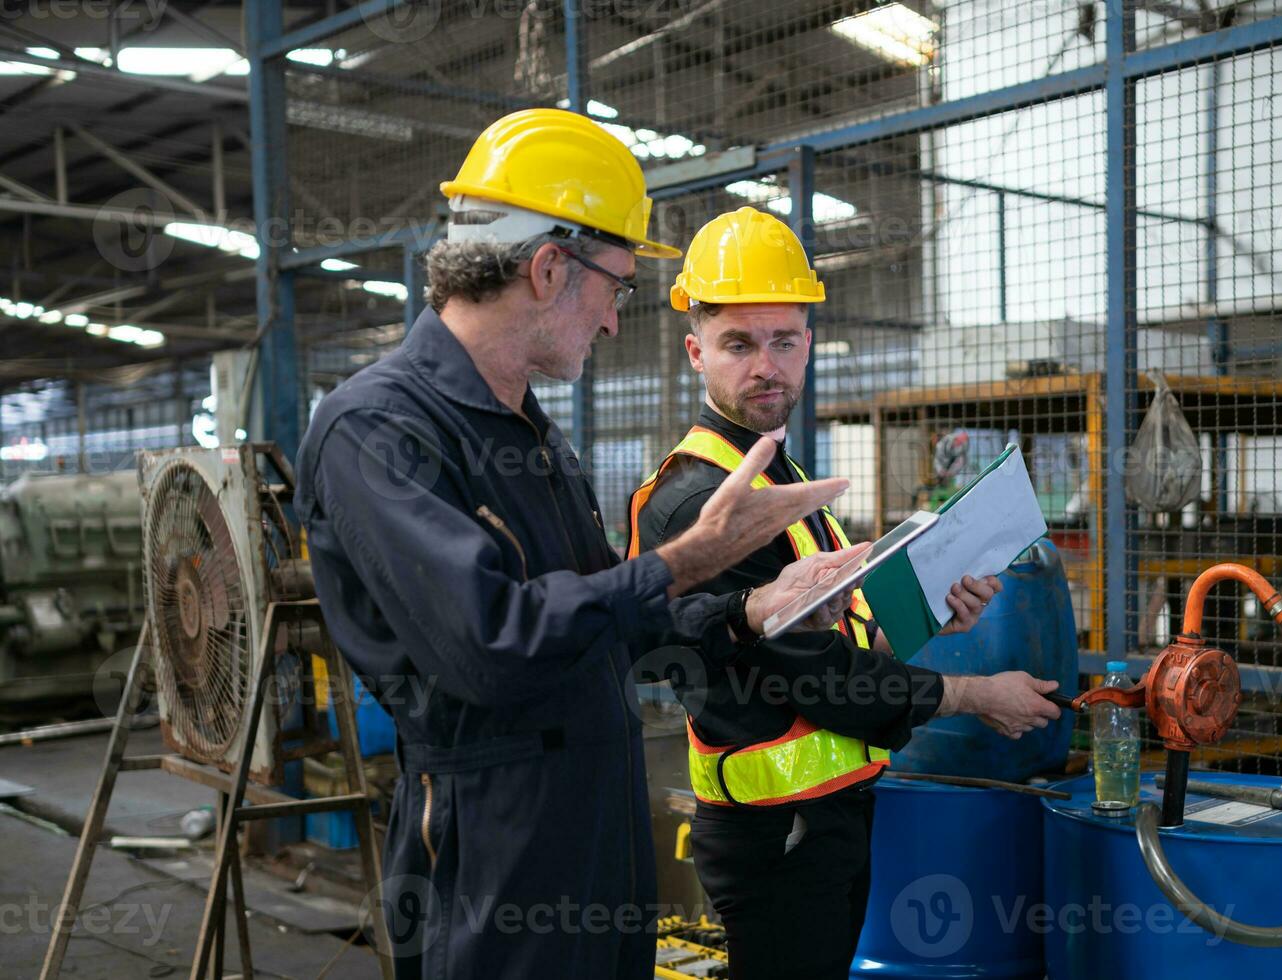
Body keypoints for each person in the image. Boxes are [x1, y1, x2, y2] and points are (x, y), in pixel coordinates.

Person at [295, 111, 870, 980]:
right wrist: (692, 554)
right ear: (550, 267)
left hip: (591, 827)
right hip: (497, 848)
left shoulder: (526, 431)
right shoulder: (378, 429)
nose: (610, 322)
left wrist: (752, 609)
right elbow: (492, 644)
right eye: (617, 288)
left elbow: (619, 618)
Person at [628, 206, 1062, 979]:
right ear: (697, 353)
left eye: (784, 341)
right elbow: (817, 679)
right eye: (739, 344)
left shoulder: (785, 479)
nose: (766, 364)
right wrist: (975, 693)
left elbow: (845, 643)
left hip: (824, 818)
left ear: (808, 346)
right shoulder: (704, 499)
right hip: (774, 835)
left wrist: (931, 613)